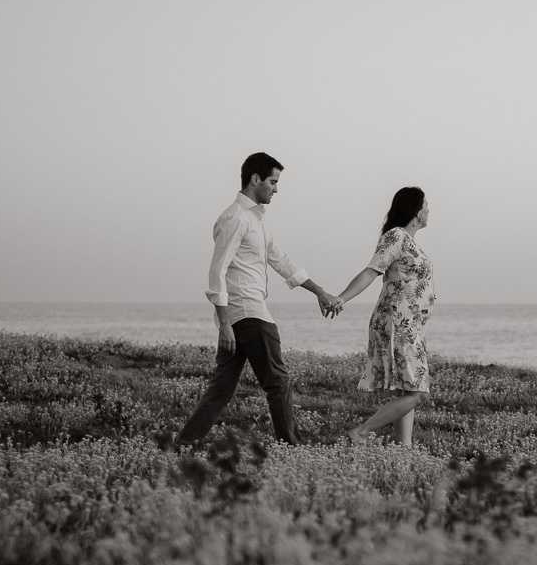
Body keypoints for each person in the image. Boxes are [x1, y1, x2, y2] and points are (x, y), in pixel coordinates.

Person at [177, 152, 341, 447]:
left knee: (220, 390)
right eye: (273, 182)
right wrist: (224, 323)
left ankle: (183, 445)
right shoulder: (235, 218)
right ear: (256, 180)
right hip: (249, 314)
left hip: (240, 315)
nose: (276, 189)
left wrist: (320, 292)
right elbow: (218, 270)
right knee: (278, 384)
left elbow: (282, 261)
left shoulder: (256, 220)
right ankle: (292, 450)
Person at [335, 187, 435, 446]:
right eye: (426, 205)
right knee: (419, 392)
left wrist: (422, 332)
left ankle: (405, 450)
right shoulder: (397, 236)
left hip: (410, 325)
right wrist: (343, 298)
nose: (429, 209)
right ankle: (361, 432)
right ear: (415, 210)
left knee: (409, 389)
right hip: (397, 323)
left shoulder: (410, 242)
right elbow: (372, 271)